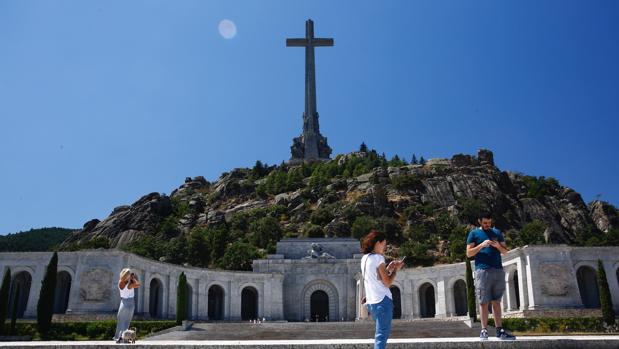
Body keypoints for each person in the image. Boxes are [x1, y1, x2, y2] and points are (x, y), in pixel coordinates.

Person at [466, 212, 516, 341]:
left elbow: (505, 252)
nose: (487, 225)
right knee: (483, 302)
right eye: (485, 223)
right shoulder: (474, 234)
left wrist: (498, 246)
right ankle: (484, 330)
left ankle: (500, 330)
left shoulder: (497, 233)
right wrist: (481, 245)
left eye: (489, 222)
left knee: (497, 302)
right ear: (479, 221)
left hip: (498, 269)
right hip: (482, 270)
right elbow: (468, 253)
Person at [361, 230, 404, 349]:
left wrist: (388, 269)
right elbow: (387, 282)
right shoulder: (379, 258)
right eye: (384, 244)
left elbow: (377, 278)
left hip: (372, 304)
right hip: (383, 302)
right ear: (378, 243)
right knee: (381, 337)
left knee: (379, 335)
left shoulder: (364, 259)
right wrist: (396, 270)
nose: (384, 248)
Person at [113, 268, 140, 343]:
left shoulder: (120, 282)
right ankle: (124, 338)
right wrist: (133, 278)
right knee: (126, 321)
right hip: (130, 303)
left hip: (123, 302)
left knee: (121, 321)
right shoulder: (129, 285)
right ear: (128, 276)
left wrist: (129, 278)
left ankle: (118, 337)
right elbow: (138, 284)